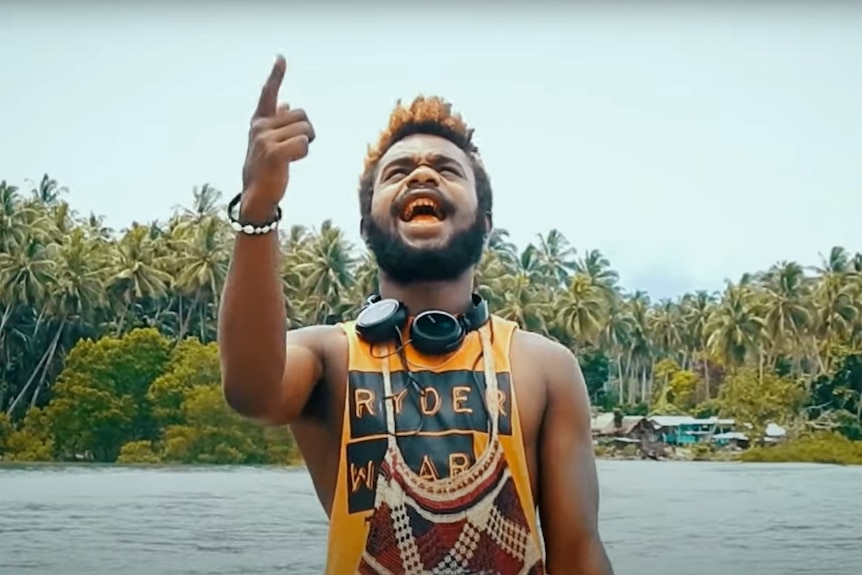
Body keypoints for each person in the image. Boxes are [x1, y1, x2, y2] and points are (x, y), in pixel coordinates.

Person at [219, 55, 614, 575]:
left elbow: (579, 549)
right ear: (367, 226)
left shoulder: (545, 367)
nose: (422, 173)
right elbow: (251, 391)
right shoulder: (328, 355)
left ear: (485, 223)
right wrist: (258, 209)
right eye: (398, 172)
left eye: (446, 169)